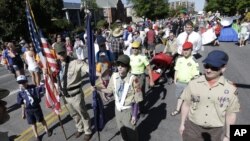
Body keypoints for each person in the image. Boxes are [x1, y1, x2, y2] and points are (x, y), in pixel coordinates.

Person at [179, 50, 240, 141]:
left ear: (223, 68)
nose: (208, 70)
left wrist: (228, 136)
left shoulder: (231, 89)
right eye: (206, 66)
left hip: (215, 132)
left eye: (214, 67)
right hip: (192, 128)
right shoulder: (194, 83)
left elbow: (230, 114)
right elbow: (186, 104)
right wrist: (182, 124)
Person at [94, 55, 142, 141]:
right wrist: (97, 88)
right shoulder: (114, 76)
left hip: (128, 111)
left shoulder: (134, 79)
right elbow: (109, 90)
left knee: (132, 134)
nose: (119, 67)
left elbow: (137, 100)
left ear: (127, 67)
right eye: (118, 65)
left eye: (122, 65)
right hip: (117, 110)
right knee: (122, 131)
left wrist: (134, 115)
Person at [54, 43, 92, 140]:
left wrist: (96, 71)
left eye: (63, 52)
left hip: (75, 94)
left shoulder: (76, 62)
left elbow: (88, 69)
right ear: (56, 54)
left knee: (82, 113)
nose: (61, 55)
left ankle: (88, 130)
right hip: (65, 96)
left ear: (66, 51)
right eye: (59, 53)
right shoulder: (56, 64)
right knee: (74, 114)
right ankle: (80, 128)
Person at [16, 75, 52, 141]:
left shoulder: (33, 87)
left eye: (23, 82)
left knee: (41, 120)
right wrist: (23, 113)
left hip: (36, 108)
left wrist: (46, 83)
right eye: (20, 83)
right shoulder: (20, 93)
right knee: (33, 123)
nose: (22, 84)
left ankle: (47, 130)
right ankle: (36, 135)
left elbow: (42, 88)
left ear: (26, 81)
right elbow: (22, 104)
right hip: (28, 110)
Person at [171, 42, 200, 116]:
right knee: (180, 97)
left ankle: (190, 113)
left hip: (189, 83)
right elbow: (176, 70)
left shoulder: (193, 61)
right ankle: (177, 109)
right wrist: (175, 80)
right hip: (180, 82)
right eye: (184, 50)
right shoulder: (179, 60)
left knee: (189, 99)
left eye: (187, 50)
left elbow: (196, 75)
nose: (185, 51)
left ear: (191, 50)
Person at [129, 41, 154, 115]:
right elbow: (128, 68)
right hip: (132, 76)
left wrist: (151, 80)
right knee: (132, 93)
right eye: (133, 48)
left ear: (139, 48)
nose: (134, 49)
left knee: (140, 93)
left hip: (140, 76)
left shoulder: (143, 57)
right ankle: (133, 110)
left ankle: (142, 109)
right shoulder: (130, 57)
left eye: (136, 48)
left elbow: (149, 69)